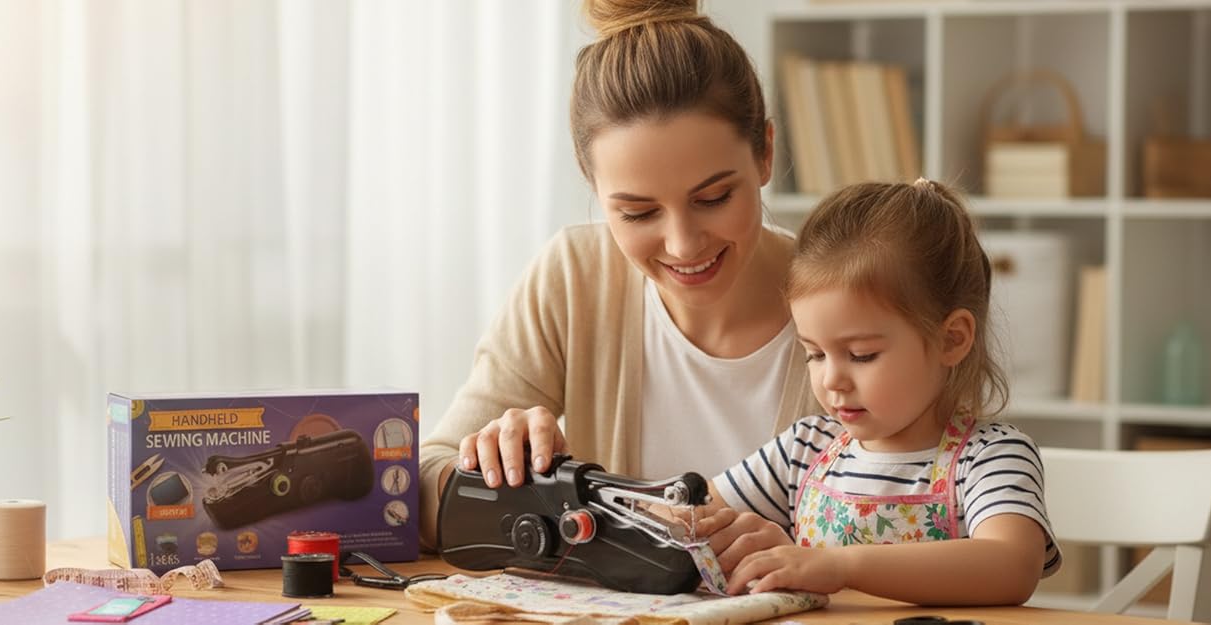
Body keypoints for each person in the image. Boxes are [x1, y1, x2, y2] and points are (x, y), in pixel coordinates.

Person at [416, 0, 823, 550]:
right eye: (638, 213)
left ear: (766, 154)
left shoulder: (850, 298)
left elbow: (953, 495)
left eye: (714, 197)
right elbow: (416, 486)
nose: (683, 244)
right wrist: (491, 469)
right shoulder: (575, 278)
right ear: (593, 186)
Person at [691, 180, 1061, 604]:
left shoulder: (989, 457)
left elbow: (1011, 566)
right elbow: (693, 511)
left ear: (952, 339)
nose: (832, 380)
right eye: (814, 354)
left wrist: (841, 566)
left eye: (861, 355)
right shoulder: (804, 450)